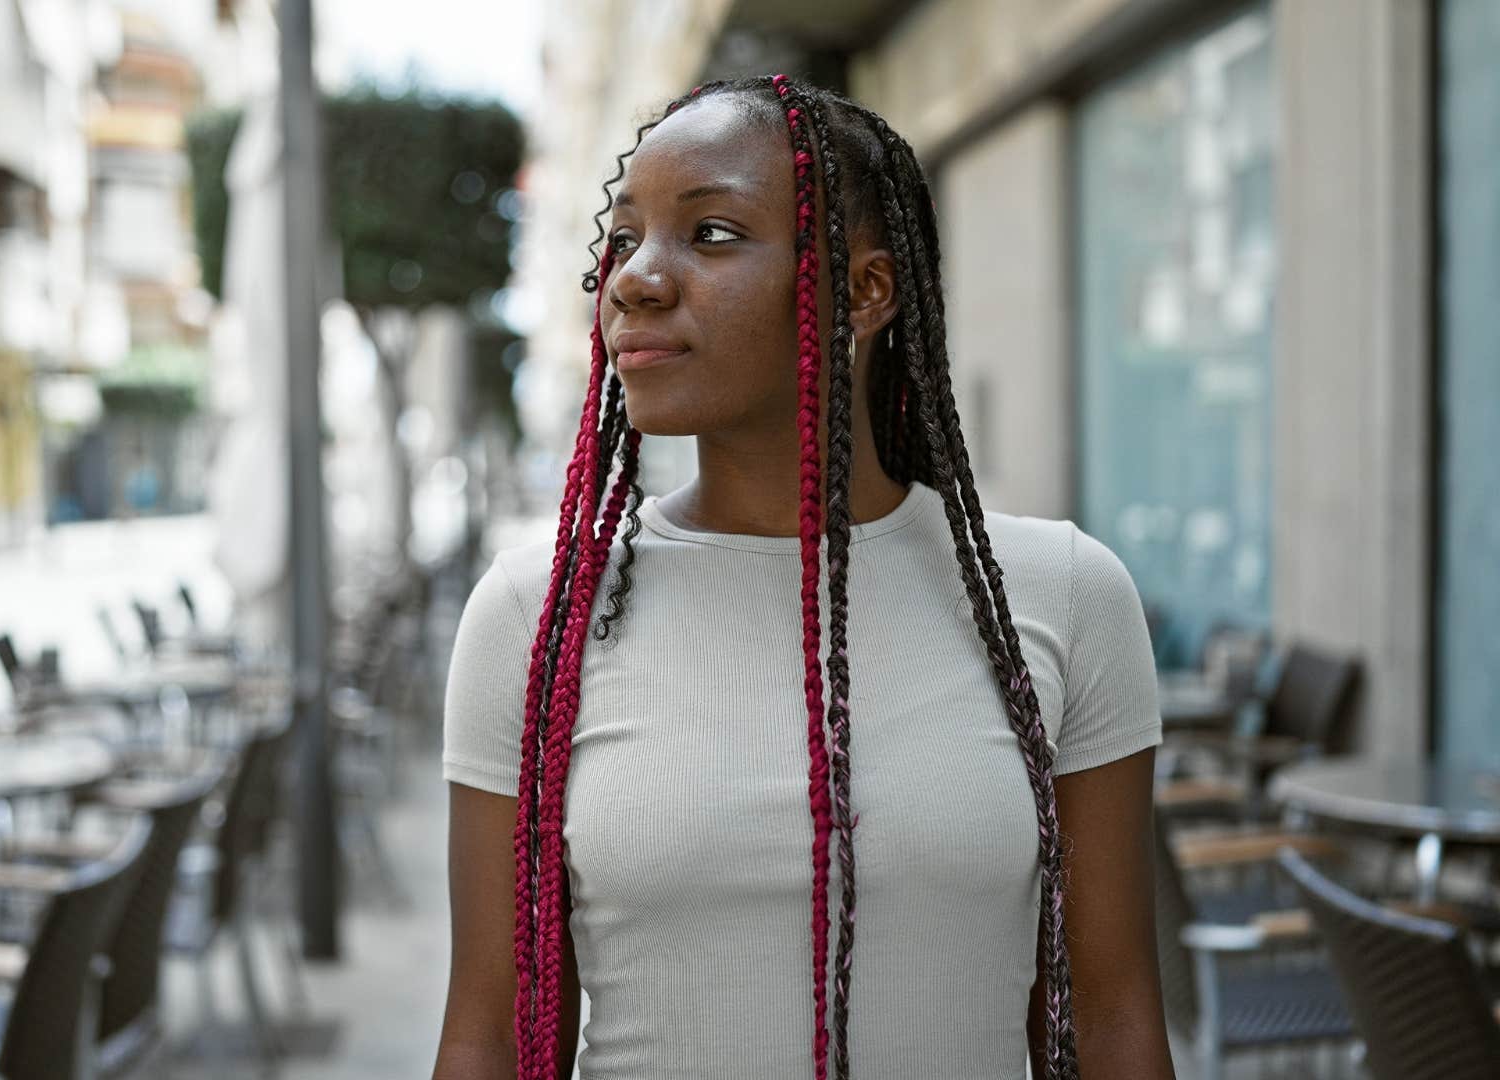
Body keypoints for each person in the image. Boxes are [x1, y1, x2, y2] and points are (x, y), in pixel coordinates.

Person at [433, 76, 1173, 1080]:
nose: (636, 280)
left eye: (713, 234)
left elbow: (1112, 1014)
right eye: (625, 239)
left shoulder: (1067, 595)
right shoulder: (537, 616)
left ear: (866, 291)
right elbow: (490, 1034)